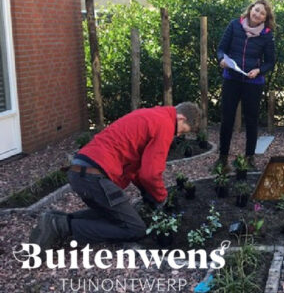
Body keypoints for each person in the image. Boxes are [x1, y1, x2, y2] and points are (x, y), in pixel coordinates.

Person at [29, 102, 202, 249]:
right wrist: (161, 198)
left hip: (80, 171)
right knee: (135, 228)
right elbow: (151, 174)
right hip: (93, 176)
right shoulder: (165, 124)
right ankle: (61, 227)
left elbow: (136, 168)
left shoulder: (152, 115)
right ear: (181, 118)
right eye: (182, 131)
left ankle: (56, 219)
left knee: (113, 215)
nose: (177, 135)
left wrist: (145, 191)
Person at [216, 0, 276, 172]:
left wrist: (259, 70)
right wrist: (221, 60)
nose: (257, 14)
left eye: (262, 13)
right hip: (232, 79)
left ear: (265, 18)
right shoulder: (234, 25)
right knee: (227, 118)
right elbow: (221, 49)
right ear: (251, 10)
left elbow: (270, 61)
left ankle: (249, 158)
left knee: (251, 120)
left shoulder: (267, 34)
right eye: (256, 10)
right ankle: (223, 158)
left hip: (253, 82)